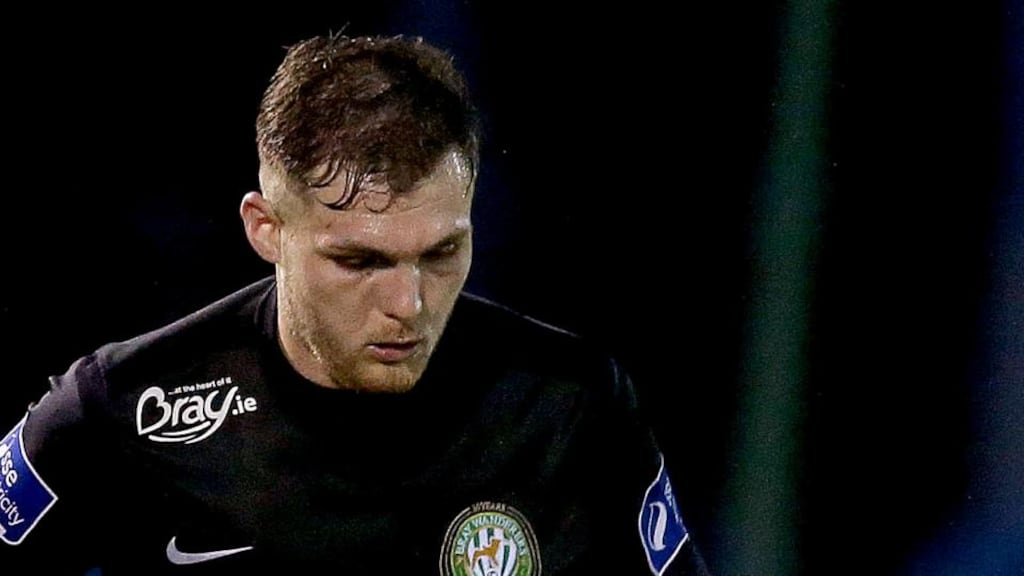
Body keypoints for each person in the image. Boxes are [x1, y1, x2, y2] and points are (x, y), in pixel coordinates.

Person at [0, 34, 710, 575]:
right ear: (266, 229)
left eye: (441, 252)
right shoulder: (119, 412)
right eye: (360, 261)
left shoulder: (570, 406)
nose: (409, 304)